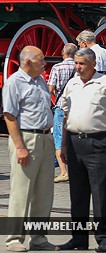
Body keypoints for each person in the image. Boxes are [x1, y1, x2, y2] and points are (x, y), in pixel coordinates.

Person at [2, 46, 56, 252]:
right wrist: (20, 147)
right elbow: (9, 116)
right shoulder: (14, 83)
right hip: (26, 138)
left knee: (44, 192)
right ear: (27, 62)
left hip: (45, 137)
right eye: (41, 61)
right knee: (21, 191)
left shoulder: (40, 80)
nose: (44, 64)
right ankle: (14, 238)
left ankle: (39, 238)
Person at [58, 48, 106, 251]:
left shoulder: (103, 83)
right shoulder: (72, 84)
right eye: (76, 63)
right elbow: (65, 116)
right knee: (77, 194)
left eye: (82, 64)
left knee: (101, 195)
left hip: (98, 144)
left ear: (93, 64)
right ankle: (78, 238)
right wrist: (63, 145)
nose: (78, 67)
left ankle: (103, 239)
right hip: (75, 143)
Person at [47, 43, 77, 183]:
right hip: (76, 107)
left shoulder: (57, 67)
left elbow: (51, 89)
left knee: (59, 139)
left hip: (61, 106)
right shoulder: (78, 66)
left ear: (63, 53)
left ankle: (63, 171)